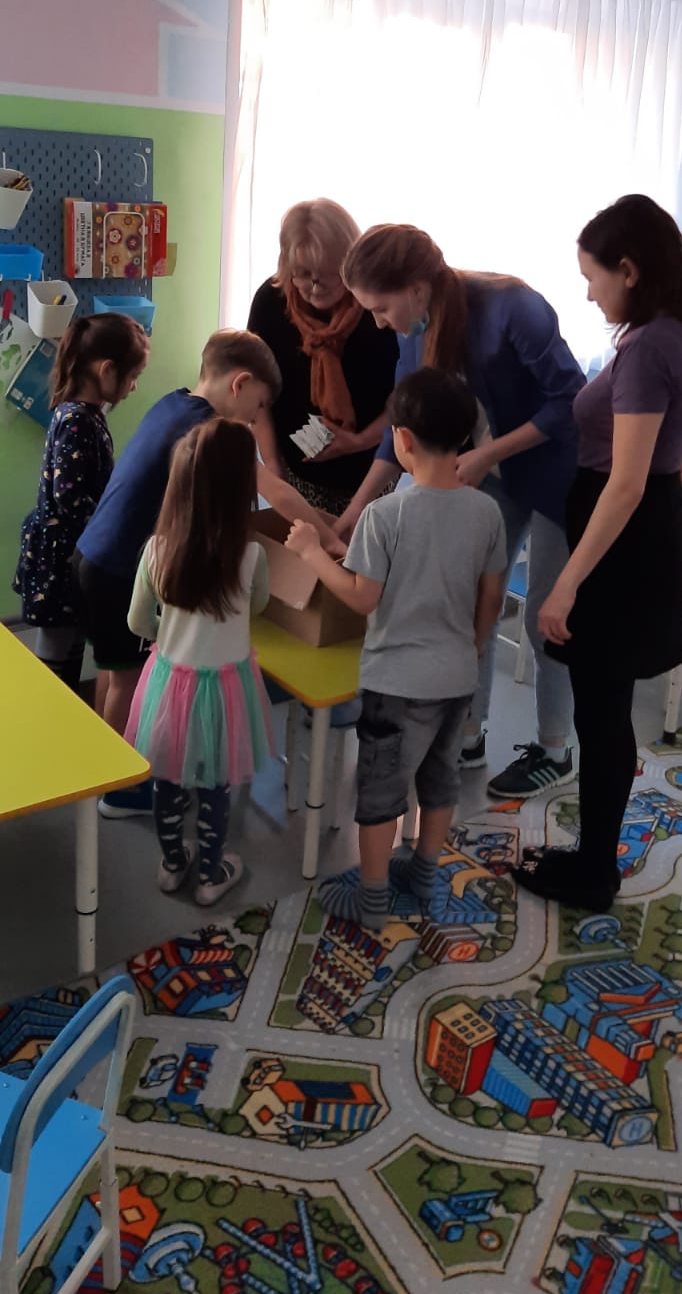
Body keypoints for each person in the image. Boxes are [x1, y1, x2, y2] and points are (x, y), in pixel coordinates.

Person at [336, 224, 586, 800]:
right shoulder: (413, 333)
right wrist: (351, 515)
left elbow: (570, 400)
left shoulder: (512, 308)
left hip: (555, 473)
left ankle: (555, 748)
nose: (379, 322)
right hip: (490, 472)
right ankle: (467, 734)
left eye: (380, 308)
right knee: (474, 602)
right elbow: (400, 429)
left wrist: (488, 455)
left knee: (545, 614)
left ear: (417, 288)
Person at [515, 194, 682, 912]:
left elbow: (625, 484)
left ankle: (593, 870)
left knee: (601, 715)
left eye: (593, 277)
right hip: (642, 530)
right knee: (608, 711)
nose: (589, 292)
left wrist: (567, 582)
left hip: (622, 544)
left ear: (628, 270)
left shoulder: (650, 347)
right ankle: (594, 856)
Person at [75, 328, 340, 818]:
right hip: (118, 565)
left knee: (113, 672)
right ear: (239, 384)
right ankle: (118, 789)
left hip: (94, 553)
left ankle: (105, 767)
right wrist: (331, 540)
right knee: (127, 679)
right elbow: (277, 492)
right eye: (257, 408)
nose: (254, 420)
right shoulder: (204, 428)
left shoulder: (174, 403)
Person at [286, 368, 506, 933]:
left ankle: (373, 898)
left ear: (401, 439)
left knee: (381, 792)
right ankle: (425, 874)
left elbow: (362, 597)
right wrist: (475, 646)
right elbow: (492, 595)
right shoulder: (487, 512)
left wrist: (311, 552)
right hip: (458, 676)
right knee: (440, 780)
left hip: (395, 683)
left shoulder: (385, 514)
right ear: (465, 437)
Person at [125, 418, 274, 906]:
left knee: (167, 776)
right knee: (216, 782)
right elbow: (256, 607)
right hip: (227, 687)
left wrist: (169, 635)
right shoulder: (251, 556)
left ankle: (173, 865)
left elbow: (137, 621)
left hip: (170, 682)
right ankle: (211, 874)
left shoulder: (156, 551)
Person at [13, 313, 149, 691]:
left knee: (70, 644)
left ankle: (64, 710)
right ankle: (47, 714)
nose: (134, 386)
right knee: (54, 653)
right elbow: (68, 495)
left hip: (70, 550)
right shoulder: (78, 420)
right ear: (107, 370)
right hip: (60, 556)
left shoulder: (82, 413)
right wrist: (112, 523)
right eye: (133, 376)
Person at [248, 199, 398, 517]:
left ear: (350, 261)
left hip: (371, 470)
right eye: (303, 274)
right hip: (296, 473)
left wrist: (359, 440)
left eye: (328, 273)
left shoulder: (379, 308)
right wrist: (274, 470)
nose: (315, 286)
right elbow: (257, 395)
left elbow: (405, 397)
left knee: (361, 546)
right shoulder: (270, 302)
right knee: (308, 545)